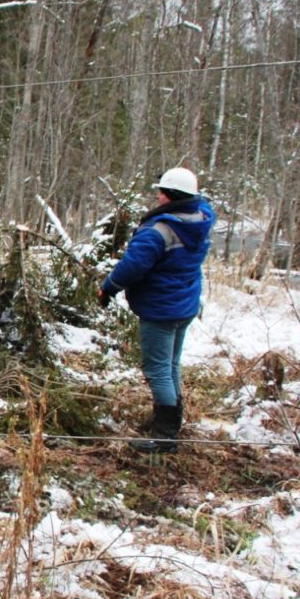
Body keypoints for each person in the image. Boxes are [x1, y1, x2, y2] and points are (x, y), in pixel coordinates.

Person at [98, 167, 215, 453]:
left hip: (160, 309)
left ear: (173, 196)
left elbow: (133, 266)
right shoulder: (199, 220)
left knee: (157, 369)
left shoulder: (159, 230)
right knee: (171, 364)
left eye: (161, 192)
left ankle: (164, 436)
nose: (157, 196)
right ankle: (171, 421)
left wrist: (109, 287)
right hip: (184, 305)